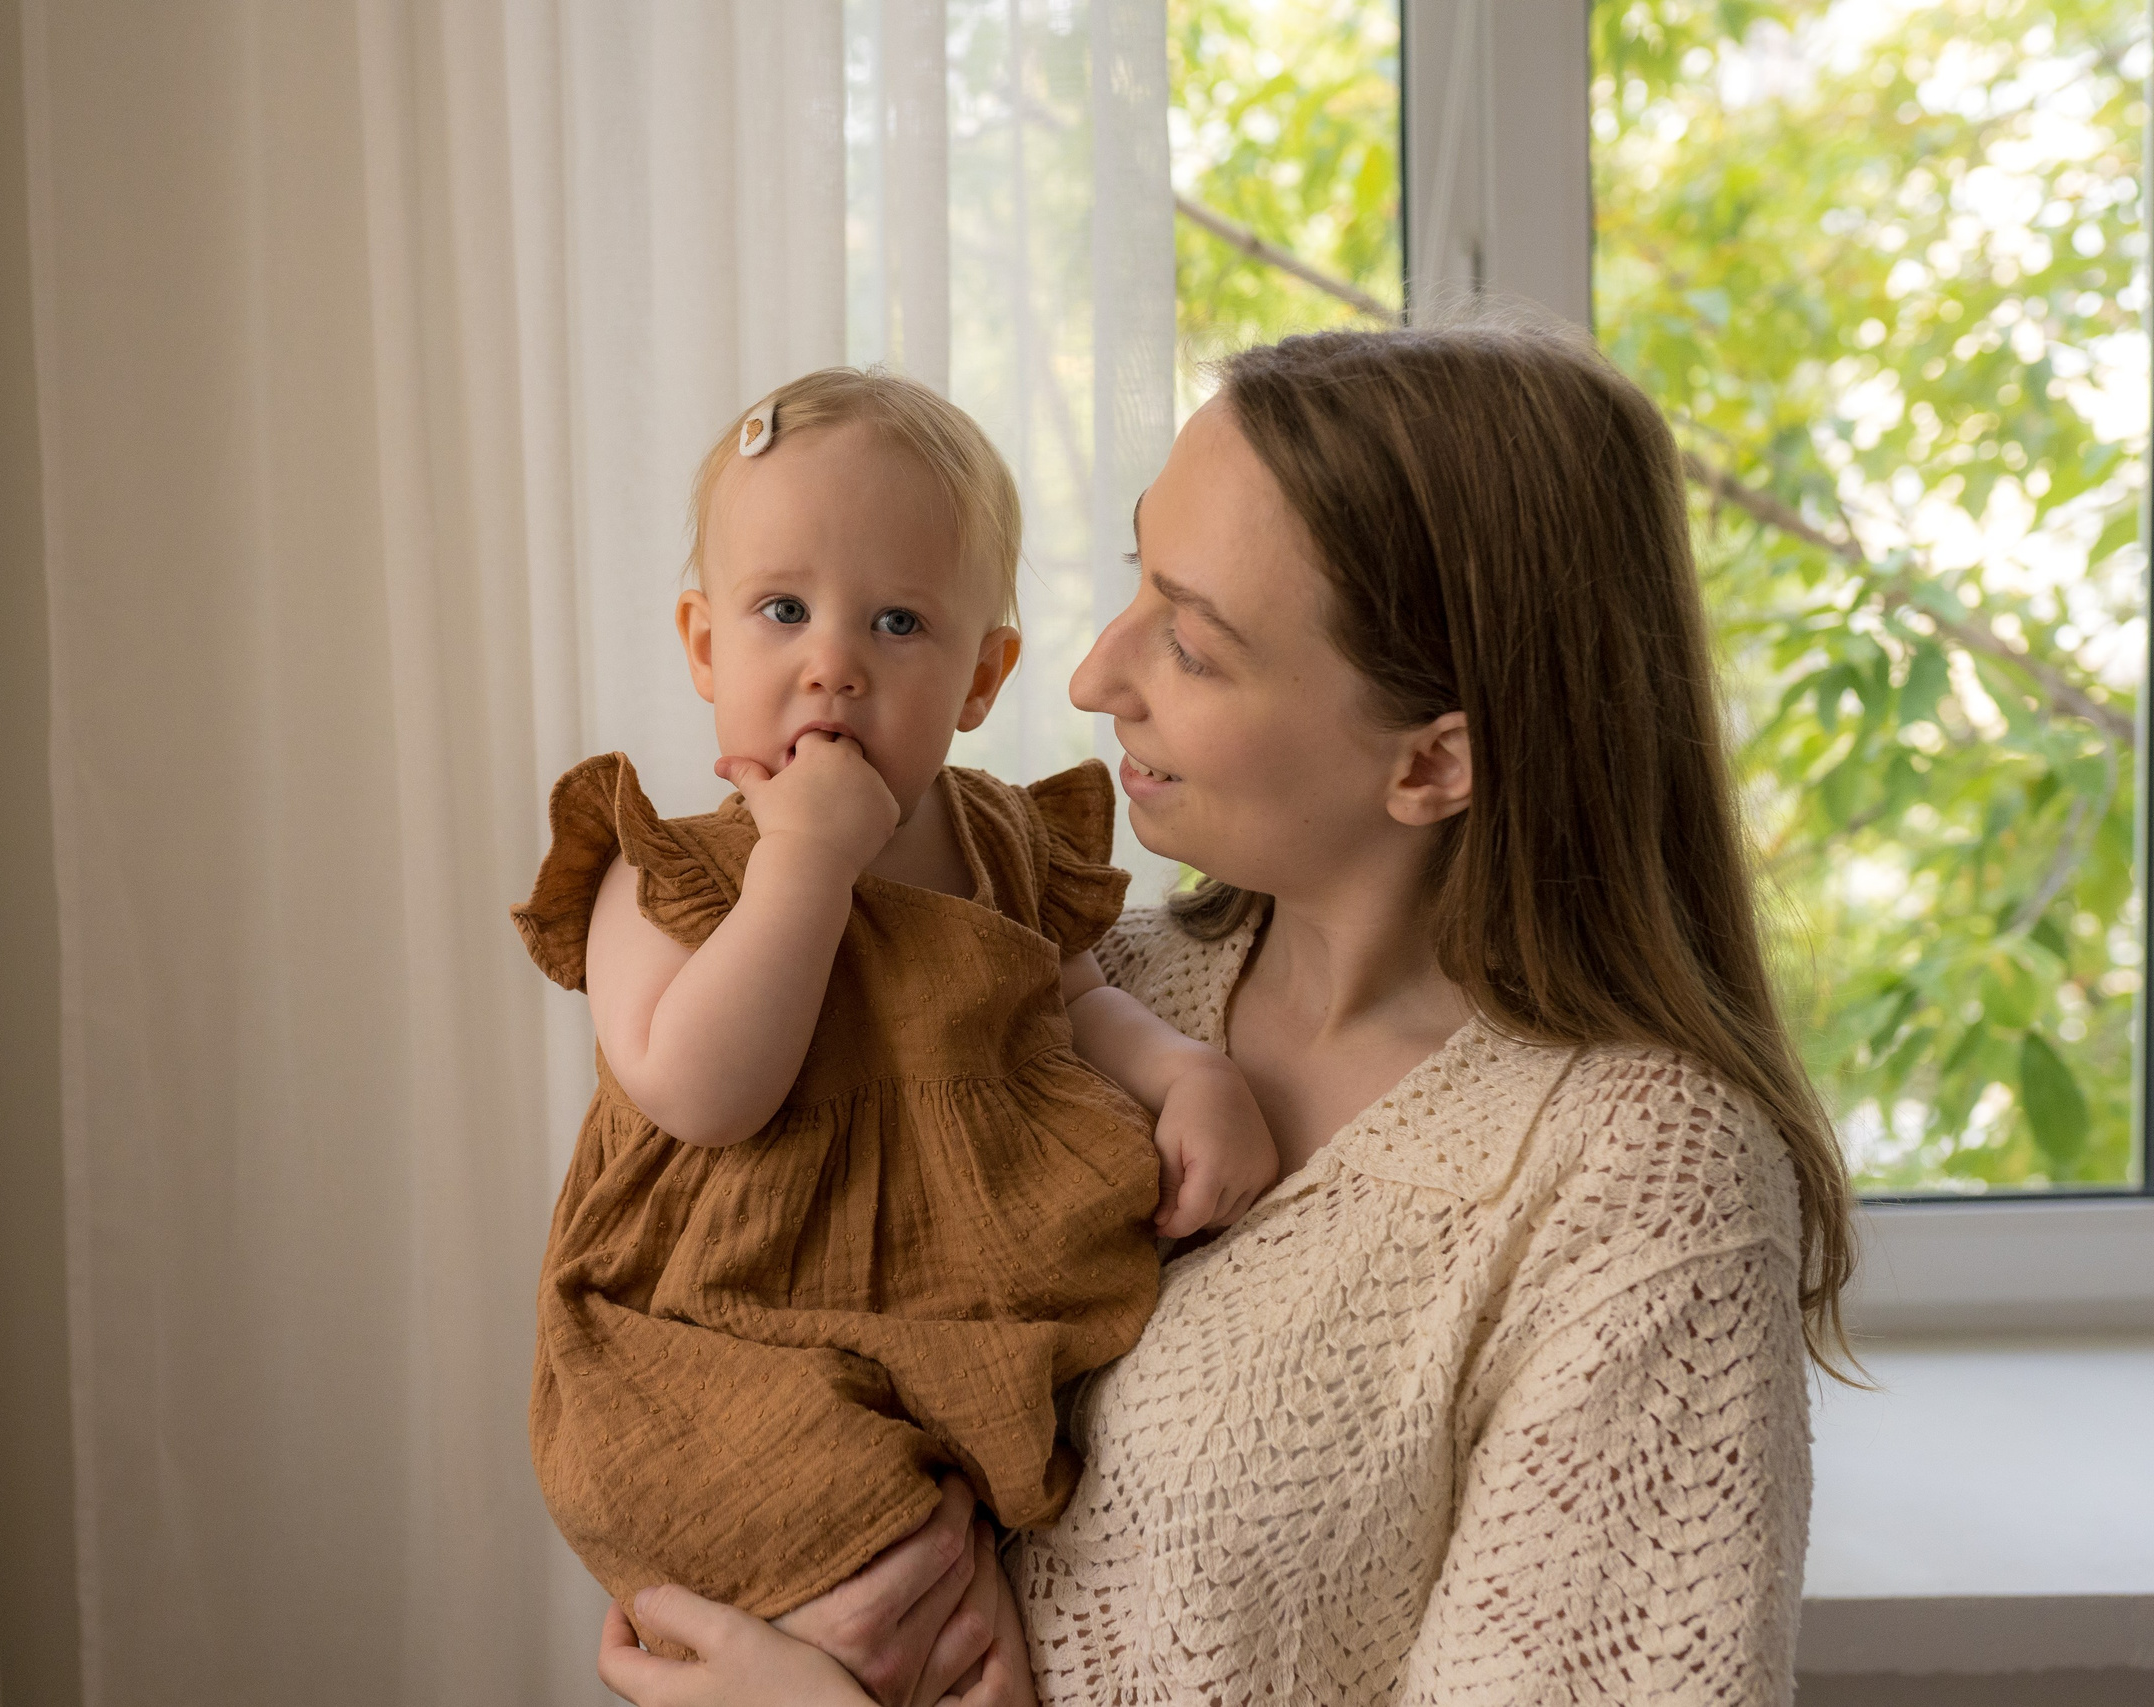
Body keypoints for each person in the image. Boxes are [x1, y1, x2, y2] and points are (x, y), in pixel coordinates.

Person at [595, 317, 1857, 1707]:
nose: (1090, 676)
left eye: (1190, 642)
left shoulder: (1641, 1189)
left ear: (1434, 761)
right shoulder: (1070, 985)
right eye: (1141, 577)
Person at [511, 367, 1280, 1650]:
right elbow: (704, 1092)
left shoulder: (994, 840)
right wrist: (802, 864)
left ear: (983, 678)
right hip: (715, 1319)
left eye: (898, 627)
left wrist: (1189, 1072)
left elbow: (1071, 1001)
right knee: (783, 1499)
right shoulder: (663, 873)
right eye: (782, 610)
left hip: (942, 1302)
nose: (833, 667)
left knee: (970, 1530)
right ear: (704, 645)